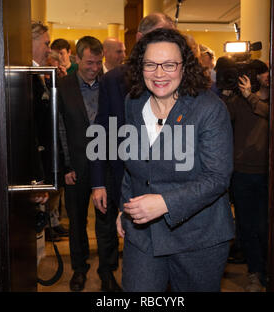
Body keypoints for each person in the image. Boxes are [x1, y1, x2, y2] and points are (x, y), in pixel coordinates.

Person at [117, 28, 235, 292]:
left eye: (169, 65)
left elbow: (217, 177)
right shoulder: (133, 102)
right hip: (143, 234)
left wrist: (164, 203)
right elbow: (132, 163)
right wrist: (124, 207)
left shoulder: (209, 109)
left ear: (184, 67)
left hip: (198, 237)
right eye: (150, 64)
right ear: (140, 67)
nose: (159, 74)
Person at [89, 13, 175, 291]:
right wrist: (98, 181)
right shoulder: (114, 80)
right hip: (127, 180)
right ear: (141, 39)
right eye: (161, 35)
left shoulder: (181, 78)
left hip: (173, 186)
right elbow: (102, 129)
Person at [57, 36, 121, 292]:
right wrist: (65, 166)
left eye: (98, 62)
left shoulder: (112, 84)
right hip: (76, 167)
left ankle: (108, 273)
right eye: (89, 63)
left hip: (106, 166)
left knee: (106, 222)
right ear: (76, 59)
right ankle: (79, 269)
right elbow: (59, 128)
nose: (94, 68)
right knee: (77, 221)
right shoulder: (62, 87)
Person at [219, 59, 270, 292]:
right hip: (241, 174)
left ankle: (268, 271)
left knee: (264, 227)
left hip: (268, 174)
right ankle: (254, 273)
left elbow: (270, 113)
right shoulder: (238, 101)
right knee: (247, 227)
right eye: (260, 73)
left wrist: (250, 96)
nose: (265, 77)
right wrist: (226, 93)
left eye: (263, 73)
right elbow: (220, 120)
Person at [31, 21, 67, 244]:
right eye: (45, 43)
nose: (48, 49)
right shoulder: (24, 76)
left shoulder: (36, 74)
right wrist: (36, 177)